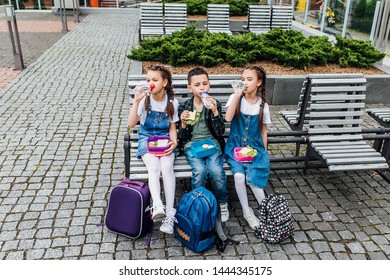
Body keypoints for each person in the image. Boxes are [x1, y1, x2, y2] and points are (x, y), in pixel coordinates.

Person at [128, 65, 179, 234]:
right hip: (147, 139)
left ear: (164, 83)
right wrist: (136, 101)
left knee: (166, 167)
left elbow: (172, 127)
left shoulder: (172, 103)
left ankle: (170, 214)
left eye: (155, 80)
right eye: (148, 80)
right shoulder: (144, 100)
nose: (150, 83)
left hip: (165, 140)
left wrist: (174, 142)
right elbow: (131, 124)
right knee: (154, 167)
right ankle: (157, 205)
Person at [178, 67, 229, 222]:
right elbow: (183, 137)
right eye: (197, 84)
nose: (201, 87)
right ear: (190, 87)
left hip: (212, 143)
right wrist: (183, 123)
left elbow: (220, 132)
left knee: (215, 170)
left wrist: (215, 112)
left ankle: (222, 201)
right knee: (199, 171)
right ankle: (198, 203)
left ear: (209, 85)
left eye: (205, 84)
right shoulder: (185, 107)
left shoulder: (215, 104)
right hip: (192, 145)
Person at [224, 65, 271, 230]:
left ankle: (267, 210)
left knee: (254, 178)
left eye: (249, 79)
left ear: (259, 83)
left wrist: (264, 152)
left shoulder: (263, 106)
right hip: (235, 147)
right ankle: (246, 211)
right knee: (238, 176)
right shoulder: (235, 98)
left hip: (254, 147)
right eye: (242, 79)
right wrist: (236, 96)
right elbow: (228, 118)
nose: (244, 82)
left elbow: (264, 132)